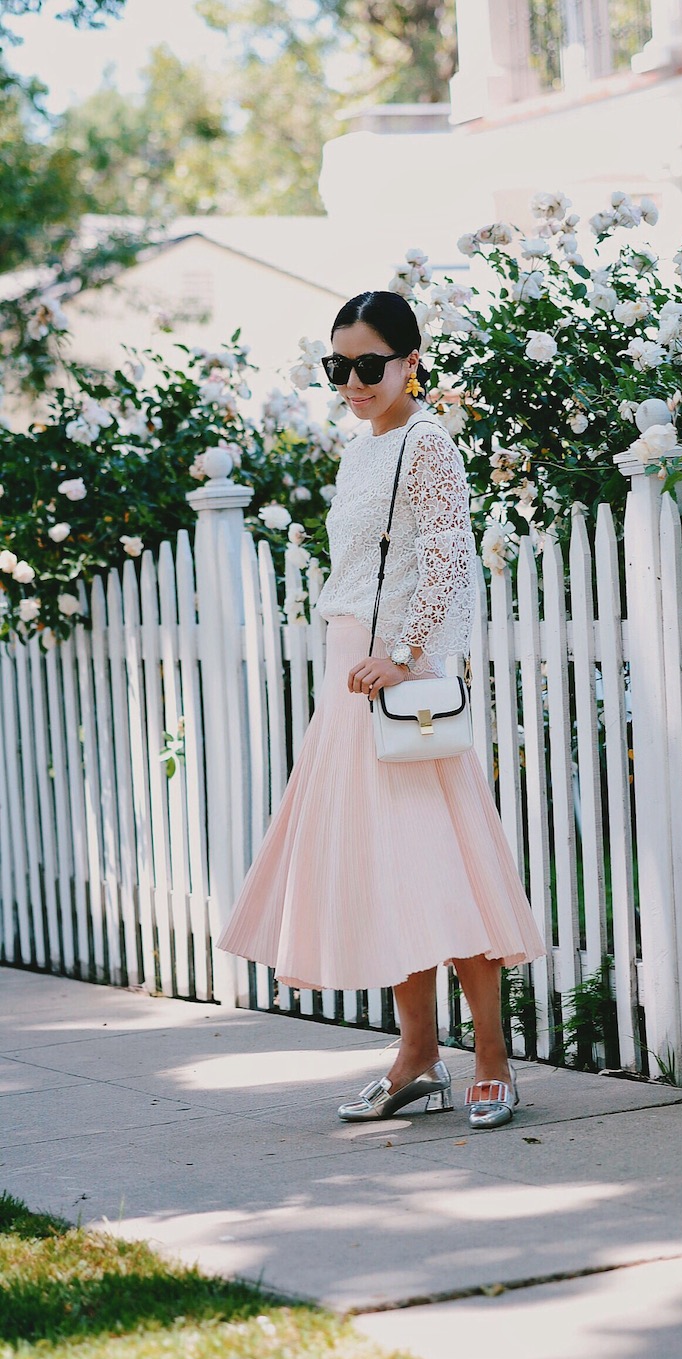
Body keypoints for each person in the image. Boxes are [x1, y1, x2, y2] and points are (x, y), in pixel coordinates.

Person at [216, 289, 545, 1129]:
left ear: (411, 361)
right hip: (349, 671)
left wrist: (398, 657)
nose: (354, 382)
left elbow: (447, 563)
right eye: (340, 367)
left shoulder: (426, 443)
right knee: (391, 868)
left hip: (395, 677)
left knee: (442, 865)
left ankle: (493, 1060)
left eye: (370, 365)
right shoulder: (362, 449)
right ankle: (418, 1055)